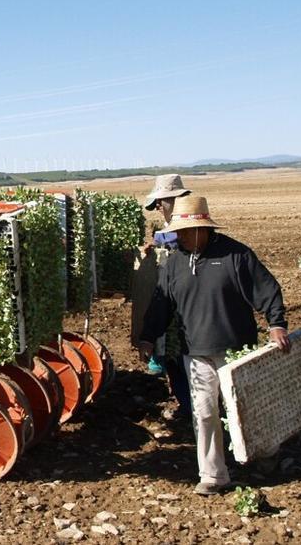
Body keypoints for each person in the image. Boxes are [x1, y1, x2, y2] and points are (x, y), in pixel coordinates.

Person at [138, 194, 290, 495]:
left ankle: (266, 456)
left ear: (201, 229)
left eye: (183, 231)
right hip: (195, 352)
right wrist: (147, 335)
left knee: (247, 409)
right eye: (177, 231)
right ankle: (213, 475)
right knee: (204, 412)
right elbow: (161, 304)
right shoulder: (174, 262)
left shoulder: (236, 256)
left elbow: (268, 290)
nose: (178, 236)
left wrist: (276, 325)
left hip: (236, 351)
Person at [128, 174, 193, 422]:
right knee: (174, 360)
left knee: (179, 361)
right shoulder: (170, 229)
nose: (158, 209)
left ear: (171, 200)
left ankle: (192, 411)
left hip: (181, 311)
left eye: (159, 203)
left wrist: (158, 242)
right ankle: (190, 407)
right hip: (175, 309)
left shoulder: (183, 226)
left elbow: (177, 242)